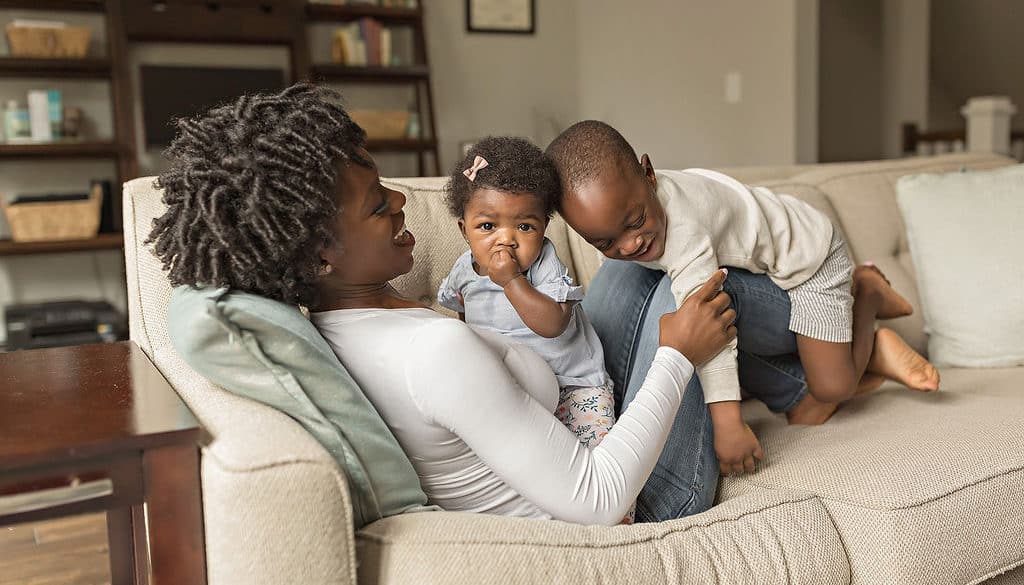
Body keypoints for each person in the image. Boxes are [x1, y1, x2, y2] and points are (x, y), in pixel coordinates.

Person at [147, 84, 739, 526]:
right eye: (379, 206)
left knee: (630, 271)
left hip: (592, 437)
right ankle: (810, 359)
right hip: (639, 507)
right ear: (318, 258)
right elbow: (599, 502)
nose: (403, 199)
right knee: (684, 283)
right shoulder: (433, 352)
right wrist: (676, 354)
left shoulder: (348, 321)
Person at [546, 120, 941, 478]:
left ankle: (867, 293)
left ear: (649, 174)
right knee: (807, 413)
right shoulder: (623, 214)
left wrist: (728, 424)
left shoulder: (684, 230)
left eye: (635, 223)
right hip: (759, 268)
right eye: (606, 242)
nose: (630, 245)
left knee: (833, 387)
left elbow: (711, 334)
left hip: (810, 261)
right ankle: (864, 355)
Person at [437, 136, 616, 453]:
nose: (506, 239)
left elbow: (552, 324)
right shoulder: (463, 272)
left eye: (524, 227)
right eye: (488, 226)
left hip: (573, 386)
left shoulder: (544, 262)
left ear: (544, 228)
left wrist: (512, 282)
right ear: (464, 230)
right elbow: (466, 324)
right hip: (517, 394)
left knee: (595, 464)